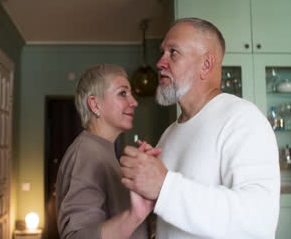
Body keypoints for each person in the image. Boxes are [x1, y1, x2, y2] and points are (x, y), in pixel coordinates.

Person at [120, 18, 281, 239]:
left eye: (173, 52)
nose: (160, 62)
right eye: (162, 52)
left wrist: (164, 187)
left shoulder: (243, 119)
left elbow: (258, 221)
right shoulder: (168, 135)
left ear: (206, 65)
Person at [56, 64, 157, 239]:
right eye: (123, 93)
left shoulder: (102, 151)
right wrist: (135, 216)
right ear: (95, 104)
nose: (134, 102)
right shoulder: (86, 154)